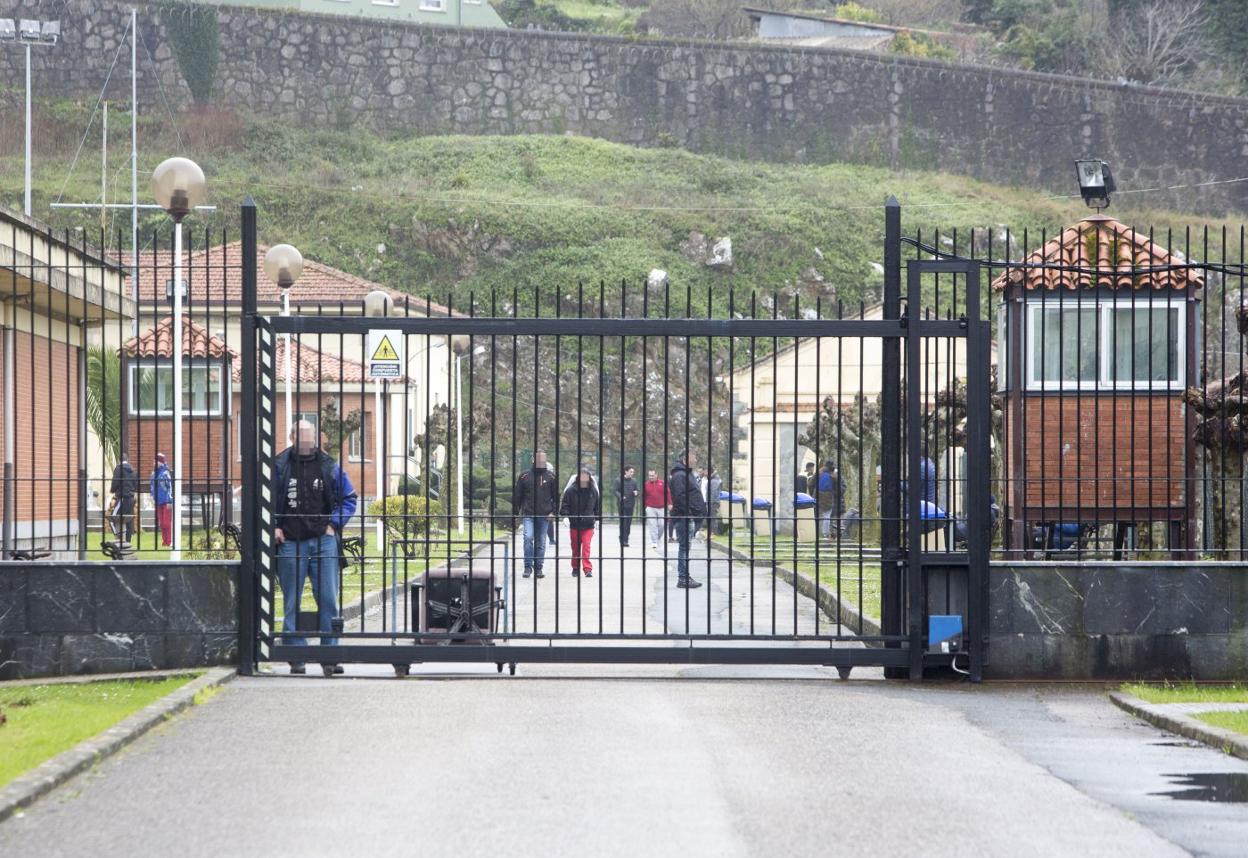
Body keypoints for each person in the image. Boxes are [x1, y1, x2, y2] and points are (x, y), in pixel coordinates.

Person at [272, 420, 358, 677]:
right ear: (292, 437)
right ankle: (296, 655)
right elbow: (264, 498)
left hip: (324, 540)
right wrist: (274, 526)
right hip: (289, 541)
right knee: (291, 601)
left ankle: (329, 656)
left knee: (329, 600)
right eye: (302, 437)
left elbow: (349, 498)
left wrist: (334, 524)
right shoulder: (278, 465)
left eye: (311, 437)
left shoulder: (329, 466)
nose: (307, 442)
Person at [513, 449, 559, 579]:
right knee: (528, 538)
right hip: (529, 514)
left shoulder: (551, 477)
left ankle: (539, 567)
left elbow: (556, 496)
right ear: (533, 459)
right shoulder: (524, 476)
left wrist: (553, 512)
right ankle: (528, 566)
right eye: (538, 458)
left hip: (544, 515)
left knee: (541, 541)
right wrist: (515, 513)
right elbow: (518, 495)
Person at [669, 449, 706, 589]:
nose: (696, 460)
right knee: (684, 547)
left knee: (686, 547)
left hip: (689, 516)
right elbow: (680, 497)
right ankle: (683, 578)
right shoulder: (679, 475)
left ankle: (685, 576)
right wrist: (690, 513)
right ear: (686, 458)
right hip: (684, 517)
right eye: (694, 457)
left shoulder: (687, 474)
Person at [561, 464, 601, 577]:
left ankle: (587, 569)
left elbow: (597, 506)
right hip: (575, 523)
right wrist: (565, 516)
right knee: (575, 548)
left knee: (586, 547)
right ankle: (575, 567)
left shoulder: (593, 491)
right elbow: (565, 505)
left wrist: (597, 519)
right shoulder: (570, 491)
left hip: (588, 524)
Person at [108, 454, 138, 544]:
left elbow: (115, 482)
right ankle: (127, 543)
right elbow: (135, 485)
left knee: (112, 519)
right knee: (128, 521)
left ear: (119, 460)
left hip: (122, 498)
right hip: (131, 498)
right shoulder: (133, 470)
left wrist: (113, 490)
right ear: (127, 459)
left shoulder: (118, 469)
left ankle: (119, 538)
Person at [641, 468, 670, 552]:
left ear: (656, 475)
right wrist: (646, 506)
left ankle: (657, 538)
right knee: (652, 525)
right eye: (649, 475)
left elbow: (668, 493)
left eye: (652, 475)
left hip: (662, 507)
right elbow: (643, 496)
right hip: (650, 507)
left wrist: (670, 503)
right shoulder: (646, 484)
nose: (651, 477)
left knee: (662, 524)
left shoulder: (663, 483)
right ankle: (654, 541)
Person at [816, 459, 845, 539]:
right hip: (833, 500)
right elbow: (841, 489)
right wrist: (834, 493)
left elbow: (811, 484)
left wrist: (816, 494)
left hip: (822, 498)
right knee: (830, 517)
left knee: (826, 516)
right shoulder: (835, 476)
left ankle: (828, 535)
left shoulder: (819, 474)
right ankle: (827, 534)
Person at [149, 453, 173, 548]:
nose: (154, 463)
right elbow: (151, 486)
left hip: (166, 501)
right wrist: (152, 496)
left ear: (160, 462)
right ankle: (165, 542)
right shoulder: (154, 473)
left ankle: (169, 541)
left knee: (167, 522)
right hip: (158, 501)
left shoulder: (166, 473)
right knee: (162, 523)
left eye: (155, 461)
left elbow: (170, 487)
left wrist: (170, 501)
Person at [614, 465, 639, 547]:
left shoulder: (634, 481)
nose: (632, 473)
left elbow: (637, 490)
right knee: (623, 522)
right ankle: (623, 540)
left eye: (633, 472)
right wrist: (621, 496)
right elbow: (615, 491)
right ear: (626, 471)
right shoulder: (618, 480)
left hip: (631, 505)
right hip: (622, 505)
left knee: (628, 523)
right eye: (631, 472)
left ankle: (626, 539)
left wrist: (636, 492)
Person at [706, 469, 723, 535]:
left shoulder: (714, 481)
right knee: (711, 518)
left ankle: (714, 533)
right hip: (712, 501)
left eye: (706, 471)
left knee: (713, 518)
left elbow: (713, 492)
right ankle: (711, 533)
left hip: (713, 502)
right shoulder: (712, 480)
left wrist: (711, 502)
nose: (705, 473)